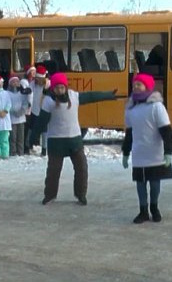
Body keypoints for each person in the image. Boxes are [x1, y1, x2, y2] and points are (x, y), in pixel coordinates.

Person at [30, 72, 117, 205]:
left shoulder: (73, 96)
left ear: (66, 87)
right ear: (53, 88)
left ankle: (81, 194)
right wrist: (33, 137)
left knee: (82, 167)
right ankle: (50, 195)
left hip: (74, 139)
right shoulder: (48, 101)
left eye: (62, 87)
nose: (59, 90)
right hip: (56, 140)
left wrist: (109, 95)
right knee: (53, 170)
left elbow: (91, 96)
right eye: (57, 88)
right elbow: (41, 121)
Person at [122, 74, 172, 223]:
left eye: (139, 84)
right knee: (140, 184)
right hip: (139, 152)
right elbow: (129, 133)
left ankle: (154, 208)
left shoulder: (156, 106)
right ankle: (143, 211)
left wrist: (168, 151)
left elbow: (166, 130)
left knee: (154, 183)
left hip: (155, 152)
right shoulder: (130, 108)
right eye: (134, 85)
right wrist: (126, 152)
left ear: (148, 86)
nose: (136, 87)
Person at [28, 65, 49, 156]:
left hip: (44, 110)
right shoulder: (33, 83)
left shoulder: (48, 84)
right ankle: (28, 145)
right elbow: (30, 93)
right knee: (31, 128)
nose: (37, 80)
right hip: (34, 109)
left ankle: (44, 148)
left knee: (45, 130)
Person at [8, 75, 31, 156]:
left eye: (17, 81)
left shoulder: (22, 93)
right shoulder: (7, 93)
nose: (15, 83)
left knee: (20, 137)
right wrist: (13, 111)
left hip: (21, 118)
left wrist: (21, 111)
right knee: (13, 137)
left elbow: (26, 103)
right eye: (13, 82)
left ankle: (20, 151)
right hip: (12, 118)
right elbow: (7, 104)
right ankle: (13, 152)